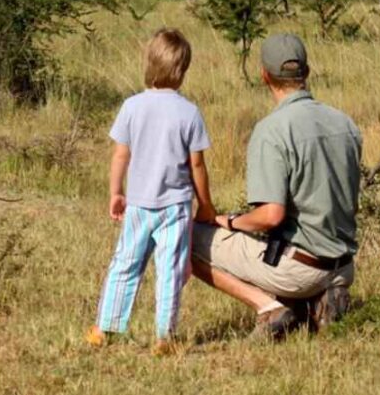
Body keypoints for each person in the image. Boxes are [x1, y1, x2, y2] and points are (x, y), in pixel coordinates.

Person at [191, 33, 362, 340]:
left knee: (183, 239)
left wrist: (230, 221)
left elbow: (271, 215)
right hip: (344, 267)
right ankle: (320, 298)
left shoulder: (271, 130)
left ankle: (270, 307)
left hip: (300, 268)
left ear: (264, 76)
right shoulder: (345, 122)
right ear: (306, 72)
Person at [86, 28, 216, 354]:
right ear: (182, 70)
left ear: (149, 62)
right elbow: (197, 165)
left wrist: (116, 192)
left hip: (139, 203)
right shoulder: (189, 112)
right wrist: (206, 205)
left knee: (125, 264)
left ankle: (105, 328)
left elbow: (120, 155)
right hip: (176, 206)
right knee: (170, 270)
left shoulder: (132, 106)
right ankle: (163, 336)